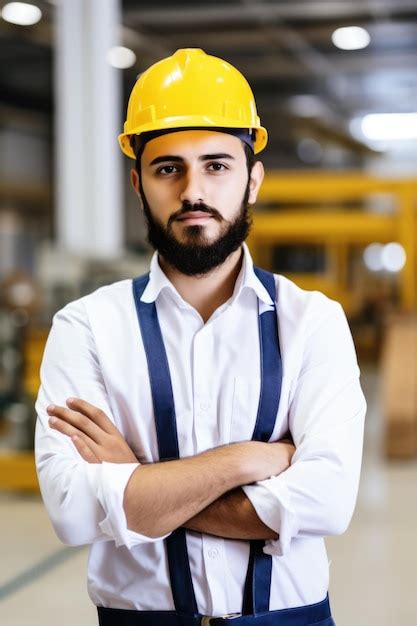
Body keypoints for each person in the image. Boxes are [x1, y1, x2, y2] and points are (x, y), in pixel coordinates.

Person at [35, 48, 366, 626]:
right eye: (169, 168)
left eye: (217, 165)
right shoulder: (86, 327)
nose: (194, 190)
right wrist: (248, 461)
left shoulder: (313, 321)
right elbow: (72, 511)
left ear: (252, 179)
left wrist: (138, 483)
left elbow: (328, 502)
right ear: (139, 183)